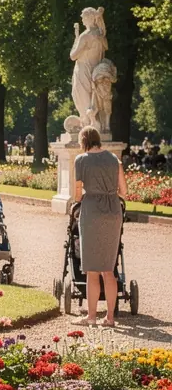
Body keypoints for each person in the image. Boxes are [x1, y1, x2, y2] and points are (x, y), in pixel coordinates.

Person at [73, 126, 127, 327]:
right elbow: (124, 191)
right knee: (109, 269)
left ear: (83, 141)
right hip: (113, 211)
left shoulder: (81, 160)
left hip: (92, 212)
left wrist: (83, 197)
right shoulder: (114, 159)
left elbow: (77, 193)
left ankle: (91, 317)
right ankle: (110, 318)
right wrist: (109, 195)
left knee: (92, 269)